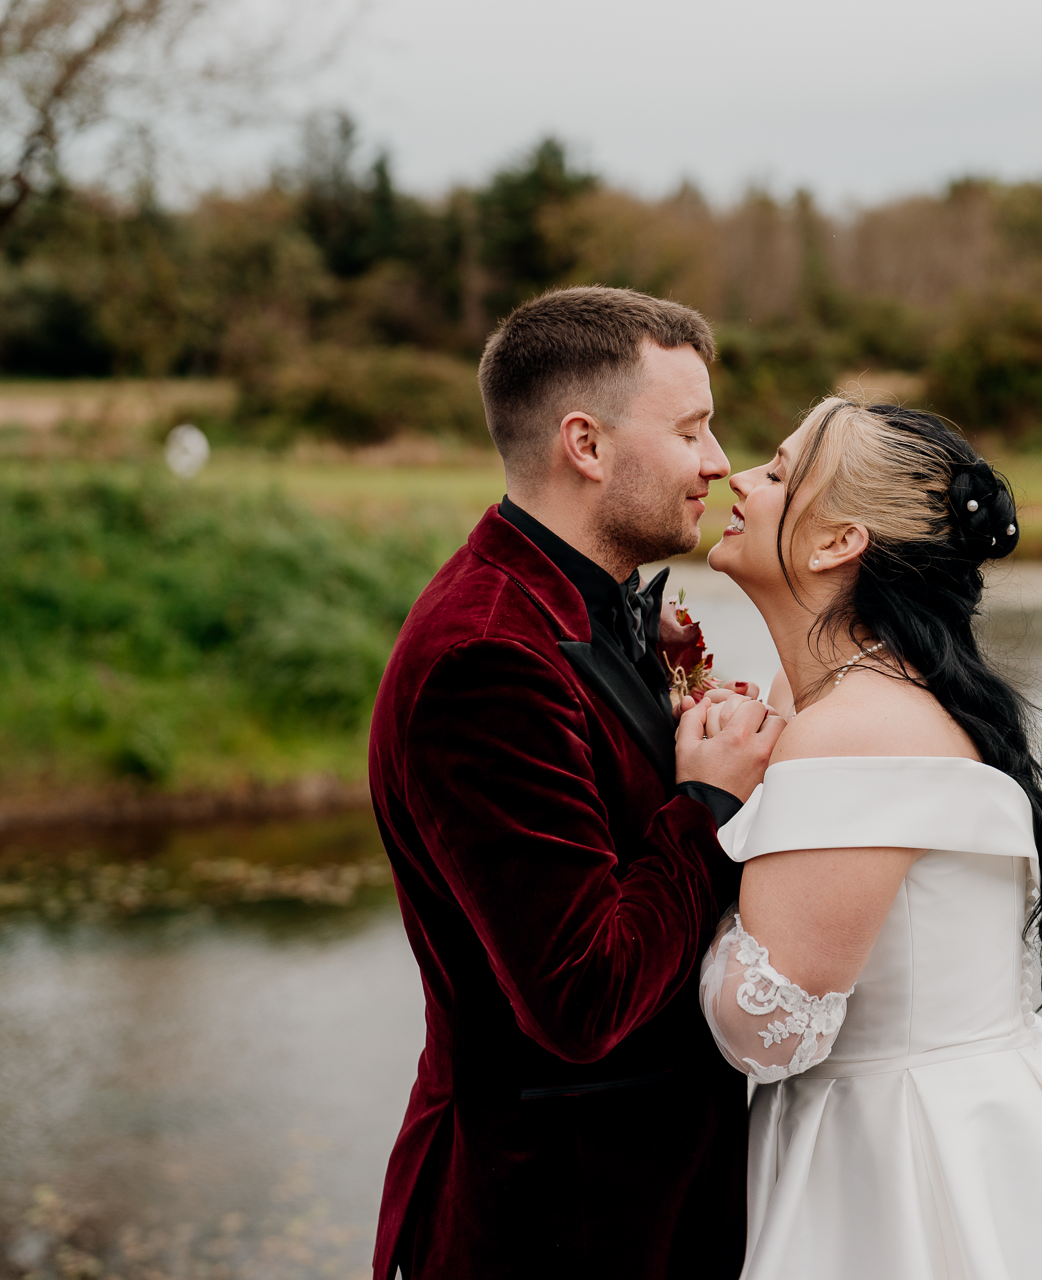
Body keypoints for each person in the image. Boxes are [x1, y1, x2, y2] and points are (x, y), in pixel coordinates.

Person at [695, 398, 1042, 1279]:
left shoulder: (854, 730)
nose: (739, 478)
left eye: (778, 471)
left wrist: (704, 817)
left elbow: (768, 1029)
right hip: (983, 1120)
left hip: (901, 1158)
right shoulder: (856, 704)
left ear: (839, 542)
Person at [367, 286, 782, 1279]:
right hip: (549, 1222)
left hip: (643, 1209)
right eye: (690, 429)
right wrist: (707, 803)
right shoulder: (486, 659)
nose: (719, 459)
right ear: (586, 445)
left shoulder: (577, 605)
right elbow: (579, 995)